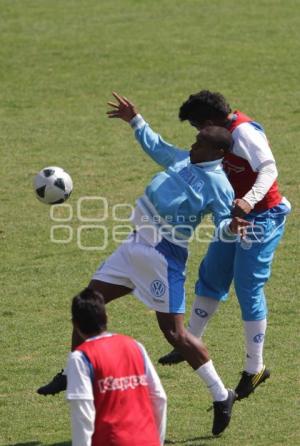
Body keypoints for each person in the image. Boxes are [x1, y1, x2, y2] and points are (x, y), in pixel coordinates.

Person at [38, 92, 248, 435]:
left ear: (217, 153)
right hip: (134, 245)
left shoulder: (219, 185)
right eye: (195, 140)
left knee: (174, 334)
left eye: (199, 142)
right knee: (87, 302)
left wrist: (232, 225)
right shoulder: (185, 160)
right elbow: (158, 146)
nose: (193, 145)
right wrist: (135, 120)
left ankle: (221, 394)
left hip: (162, 258)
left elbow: (224, 223)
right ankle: (72, 372)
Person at [158, 90, 291, 401]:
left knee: (248, 287)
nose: (196, 133)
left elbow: (269, 169)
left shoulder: (244, 133)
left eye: (195, 126)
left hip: (261, 217)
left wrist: (248, 200)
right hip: (234, 218)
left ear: (207, 121)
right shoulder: (218, 135)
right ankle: (188, 342)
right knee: (212, 274)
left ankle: (254, 368)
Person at [66, 288, 167, 446]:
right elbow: (159, 397)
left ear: (75, 323)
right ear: (106, 317)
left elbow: (82, 414)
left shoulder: (80, 358)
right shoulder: (135, 346)